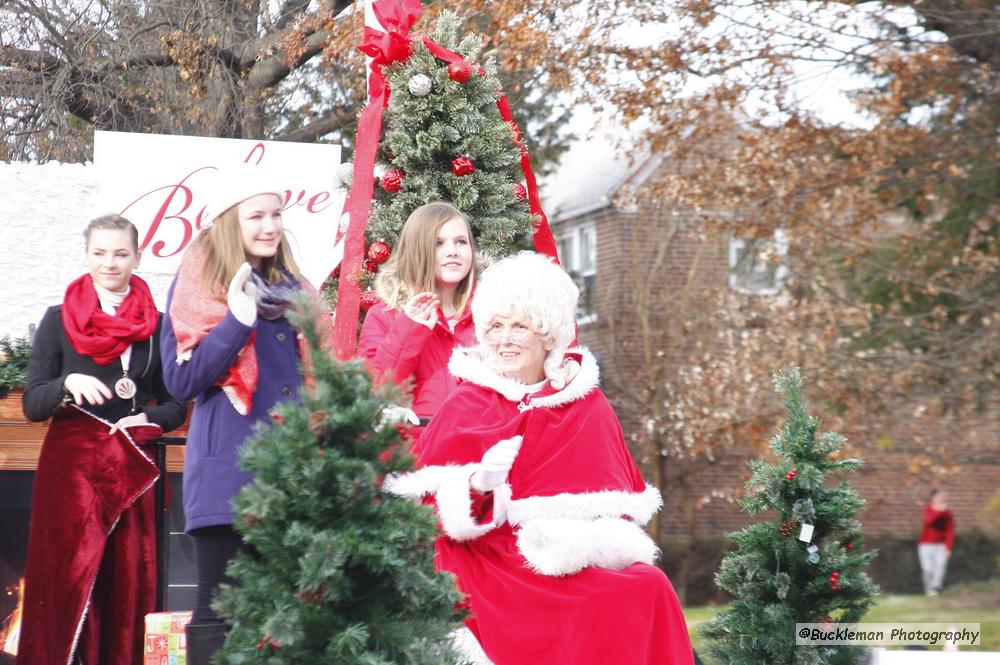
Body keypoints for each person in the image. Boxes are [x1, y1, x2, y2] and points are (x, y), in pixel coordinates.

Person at [385, 252, 695, 665]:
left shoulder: (584, 403)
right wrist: (478, 486)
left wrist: (579, 545)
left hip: (564, 552)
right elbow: (427, 513)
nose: (504, 339)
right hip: (486, 558)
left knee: (647, 585)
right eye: (495, 327)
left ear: (548, 334)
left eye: (519, 326)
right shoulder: (467, 402)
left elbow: (614, 512)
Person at [160, 168, 333, 664]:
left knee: (290, 614)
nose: (270, 226)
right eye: (256, 215)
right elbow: (181, 381)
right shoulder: (198, 287)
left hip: (293, 473)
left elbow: (324, 373)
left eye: (276, 214)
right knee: (221, 608)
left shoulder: (298, 290)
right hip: (228, 476)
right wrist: (237, 321)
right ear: (228, 223)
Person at [18, 214, 186, 665]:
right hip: (71, 473)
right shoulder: (57, 320)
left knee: (128, 585)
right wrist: (67, 382)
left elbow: (176, 405)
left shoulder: (159, 325)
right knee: (66, 582)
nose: (109, 263)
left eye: (120, 253)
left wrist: (145, 419)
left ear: (137, 256)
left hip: (132, 470)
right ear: (86, 254)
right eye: (99, 253)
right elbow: (33, 404)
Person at [357, 202, 478, 431]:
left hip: (483, 450)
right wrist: (411, 327)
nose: (453, 251)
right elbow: (373, 392)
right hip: (415, 451)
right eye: (438, 243)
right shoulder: (385, 316)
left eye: (461, 242)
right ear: (417, 250)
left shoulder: (492, 313)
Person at [917, 488, 954, 596]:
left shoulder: (948, 513)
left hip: (941, 545)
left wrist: (948, 547)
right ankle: (928, 590)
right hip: (926, 545)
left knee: (941, 567)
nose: (941, 499)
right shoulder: (928, 510)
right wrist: (939, 512)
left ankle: (936, 587)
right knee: (928, 569)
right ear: (933, 498)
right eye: (939, 496)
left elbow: (950, 530)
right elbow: (929, 522)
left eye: (943, 497)